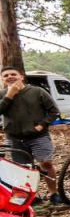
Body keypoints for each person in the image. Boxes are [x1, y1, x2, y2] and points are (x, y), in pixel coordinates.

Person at [0, 65, 60, 202]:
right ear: (2, 79)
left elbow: (53, 111)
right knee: (23, 168)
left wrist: (41, 125)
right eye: (6, 75)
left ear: (21, 76)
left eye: (13, 74)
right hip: (14, 137)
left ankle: (53, 193)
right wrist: (9, 95)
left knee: (45, 163)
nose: (10, 77)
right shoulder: (2, 94)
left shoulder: (37, 91)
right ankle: (32, 197)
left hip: (38, 136)